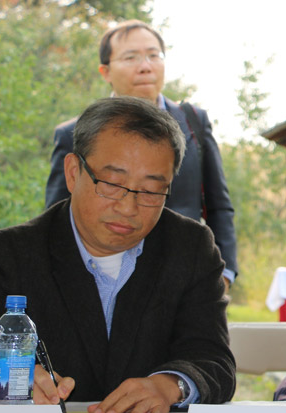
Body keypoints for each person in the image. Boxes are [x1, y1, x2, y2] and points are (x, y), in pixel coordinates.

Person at [0, 97, 236, 413]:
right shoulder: (6, 255)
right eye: (113, 184)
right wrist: (10, 380)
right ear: (73, 172)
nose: (128, 207)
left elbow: (213, 360)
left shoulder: (189, 247)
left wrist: (171, 384)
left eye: (150, 191)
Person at [43, 19, 238, 289]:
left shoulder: (193, 122)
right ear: (105, 71)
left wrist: (225, 273)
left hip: (184, 273)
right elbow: (58, 215)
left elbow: (219, 205)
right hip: (104, 277)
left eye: (153, 55)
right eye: (130, 57)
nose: (145, 66)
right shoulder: (74, 134)